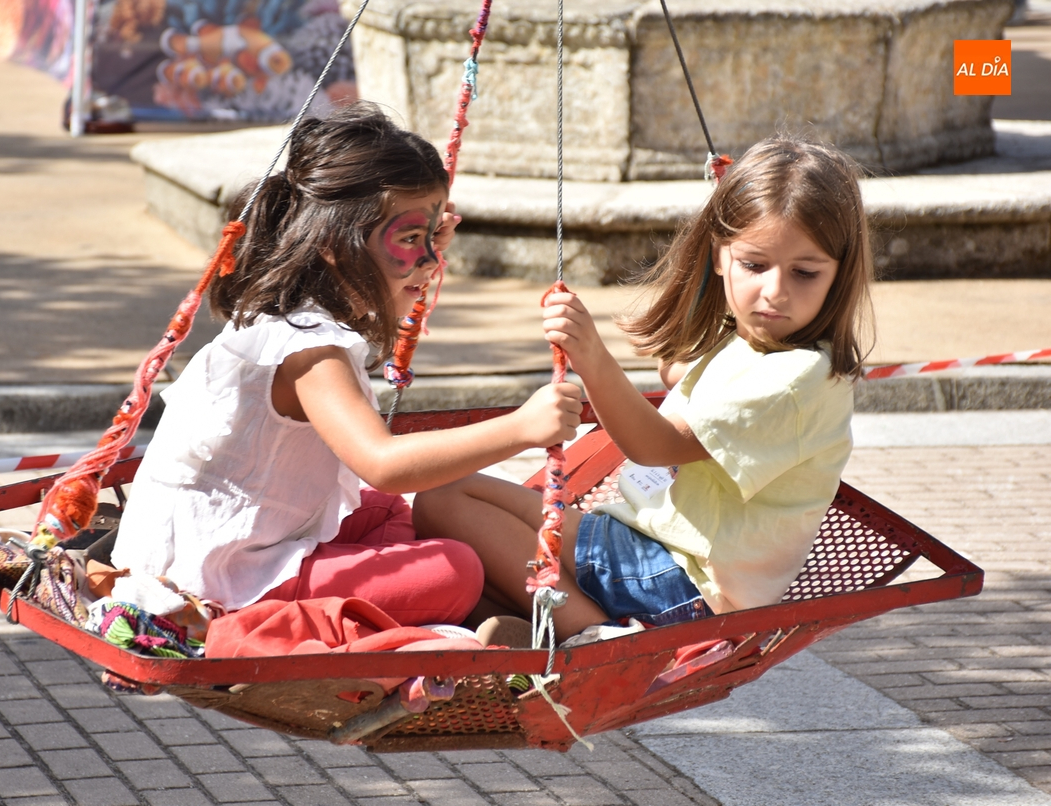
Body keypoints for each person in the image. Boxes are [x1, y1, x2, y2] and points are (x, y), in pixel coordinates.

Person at [109, 104, 582, 629]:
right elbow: (383, 463)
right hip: (213, 578)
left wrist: (413, 239)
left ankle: (498, 622)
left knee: (388, 513)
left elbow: (380, 479)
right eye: (411, 239)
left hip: (228, 542)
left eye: (434, 238)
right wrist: (522, 428)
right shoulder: (310, 349)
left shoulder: (297, 316)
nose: (430, 261)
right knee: (455, 567)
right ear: (336, 245)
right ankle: (510, 626)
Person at [414, 135, 875, 639]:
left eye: (804, 273)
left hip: (679, 580)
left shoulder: (796, 377)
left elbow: (655, 445)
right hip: (650, 553)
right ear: (720, 256)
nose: (775, 291)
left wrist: (591, 355)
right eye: (753, 265)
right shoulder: (760, 344)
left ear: (840, 275)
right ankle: (543, 631)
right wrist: (711, 281)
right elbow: (676, 371)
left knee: (445, 502)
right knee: (454, 522)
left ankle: (593, 637)